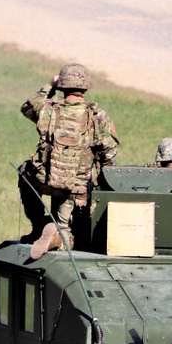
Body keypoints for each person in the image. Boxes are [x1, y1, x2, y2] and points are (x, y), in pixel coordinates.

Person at [19, 63, 118, 258]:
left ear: (62, 85)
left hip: (44, 182)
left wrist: (50, 86)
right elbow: (109, 155)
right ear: (85, 87)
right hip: (76, 188)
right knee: (69, 231)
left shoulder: (47, 109)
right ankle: (60, 234)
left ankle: (39, 226)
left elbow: (27, 107)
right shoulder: (97, 117)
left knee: (24, 171)